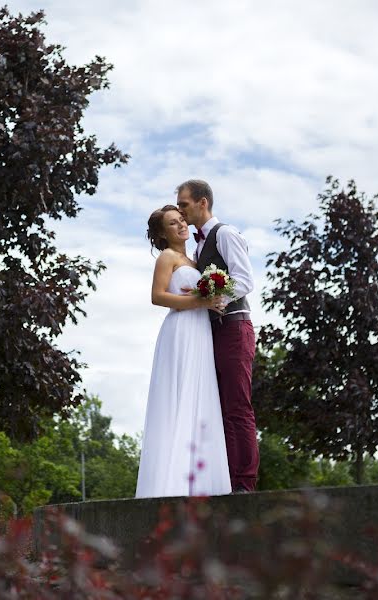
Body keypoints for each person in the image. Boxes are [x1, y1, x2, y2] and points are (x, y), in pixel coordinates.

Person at [135, 204, 232, 498]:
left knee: (200, 397)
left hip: (200, 332)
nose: (180, 226)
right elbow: (157, 296)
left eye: (181, 220)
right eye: (172, 224)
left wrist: (214, 298)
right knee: (178, 398)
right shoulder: (167, 257)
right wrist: (202, 303)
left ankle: (200, 482)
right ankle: (171, 484)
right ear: (163, 234)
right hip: (180, 332)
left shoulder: (194, 259)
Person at [176, 179, 259, 492]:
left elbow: (245, 280)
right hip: (213, 331)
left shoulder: (225, 233)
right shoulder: (198, 245)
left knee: (238, 407)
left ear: (202, 202)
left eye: (184, 205)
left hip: (235, 327)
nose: (181, 212)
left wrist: (214, 297)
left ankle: (245, 484)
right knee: (220, 409)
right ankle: (226, 481)